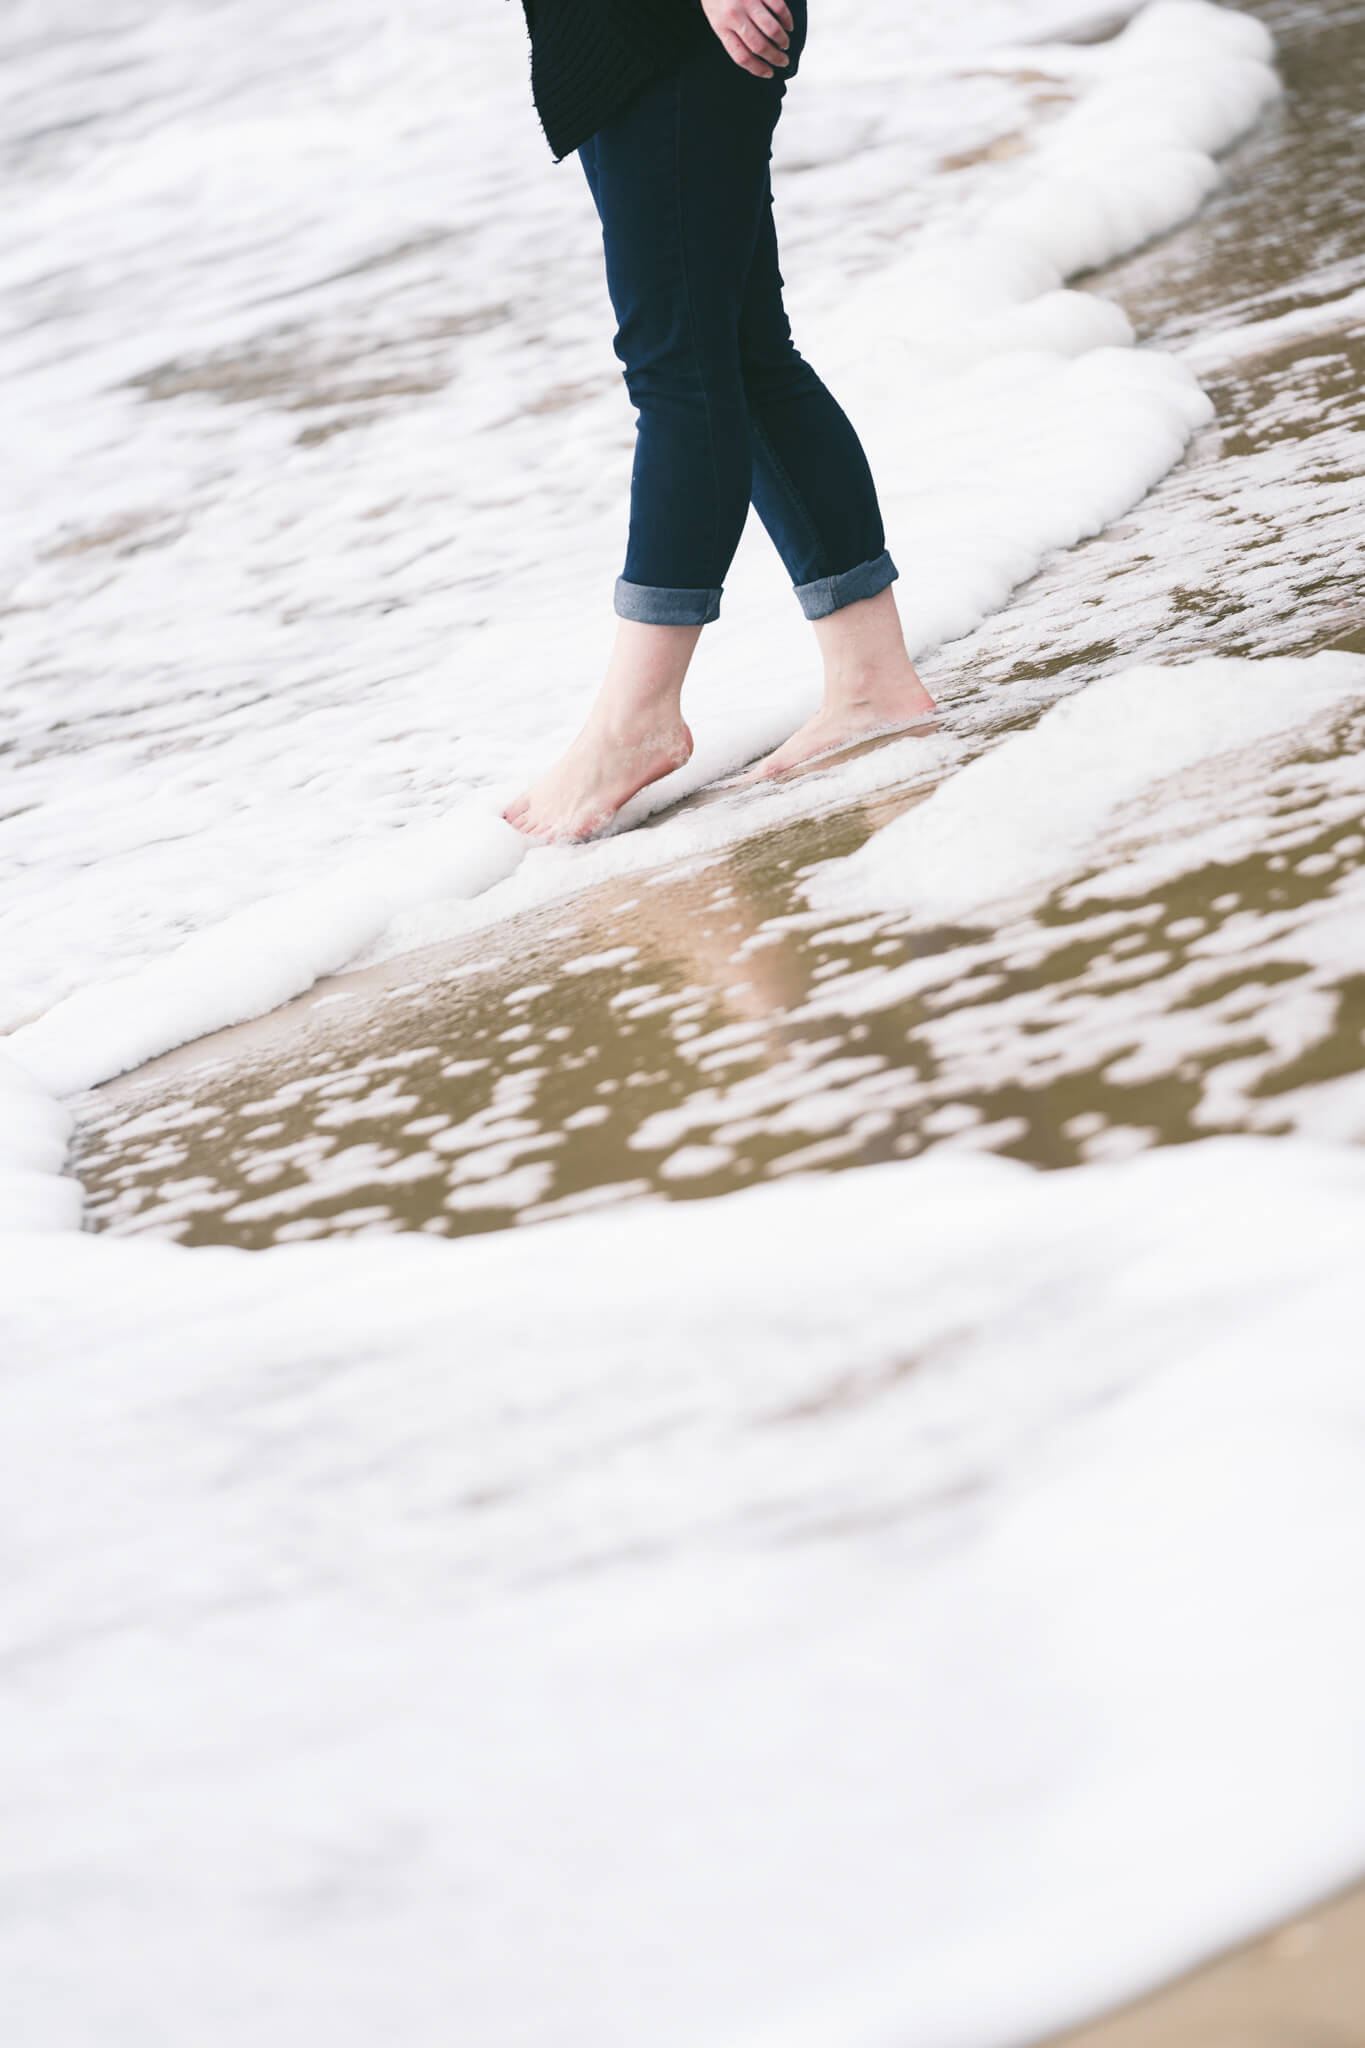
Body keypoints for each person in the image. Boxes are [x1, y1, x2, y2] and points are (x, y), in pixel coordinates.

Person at [505, 0, 935, 843]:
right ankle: (870, 679)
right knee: (742, 357)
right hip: (619, 36)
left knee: (679, 373)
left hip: (665, 29)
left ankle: (637, 719)